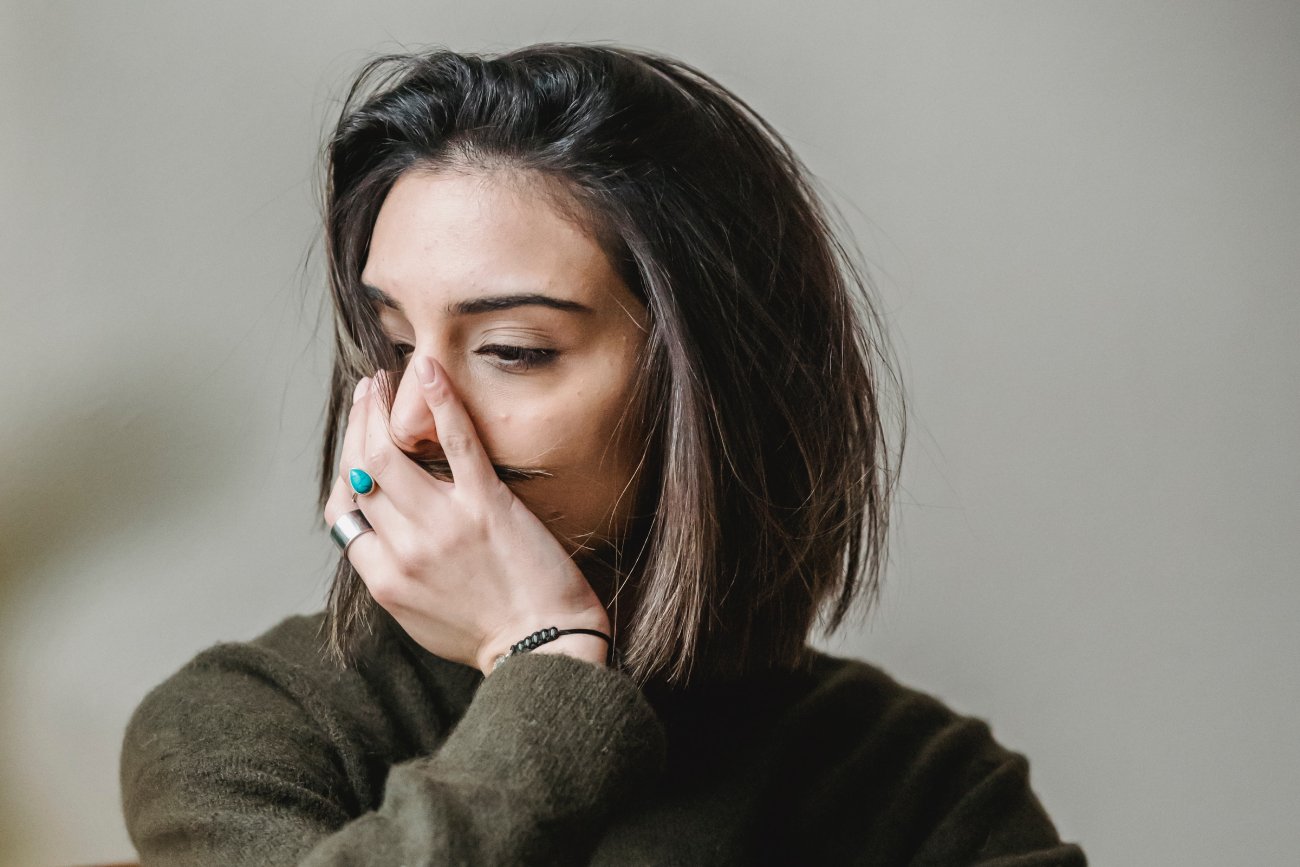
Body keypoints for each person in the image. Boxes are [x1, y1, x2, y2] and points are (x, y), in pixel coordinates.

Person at [119, 43, 1086, 866]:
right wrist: (548, 677)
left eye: (512, 351)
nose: (413, 421)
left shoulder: (925, 789)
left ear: (713, 384)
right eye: (395, 345)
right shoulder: (253, 724)